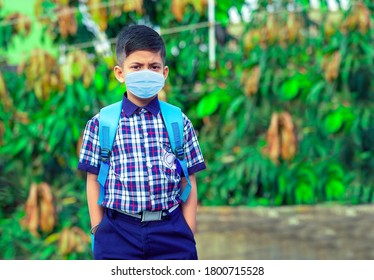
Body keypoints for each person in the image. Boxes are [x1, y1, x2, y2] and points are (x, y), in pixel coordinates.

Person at [77, 25, 206, 260]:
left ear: (164, 73)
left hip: (171, 233)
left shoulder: (178, 121)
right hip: (117, 234)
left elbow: (189, 181)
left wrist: (188, 231)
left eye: (153, 66)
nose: (146, 72)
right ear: (120, 73)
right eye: (136, 67)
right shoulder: (101, 124)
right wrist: (98, 229)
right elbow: (93, 180)